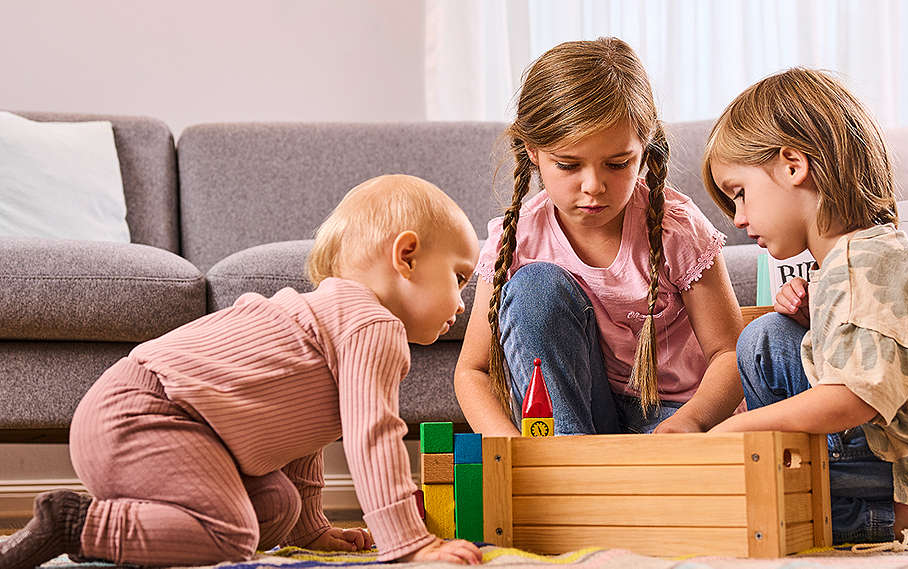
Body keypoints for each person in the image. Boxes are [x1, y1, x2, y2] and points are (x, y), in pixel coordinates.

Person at [0, 175, 483, 567]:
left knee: (275, 509)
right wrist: (408, 541)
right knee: (231, 534)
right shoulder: (373, 324)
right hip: (149, 414)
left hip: (139, 415)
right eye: (459, 277)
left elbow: (303, 431)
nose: (462, 304)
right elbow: (372, 433)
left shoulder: (330, 318)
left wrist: (310, 529)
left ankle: (138, 530)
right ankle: (77, 524)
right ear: (406, 256)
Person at [702, 68, 908, 544]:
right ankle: (793, 492)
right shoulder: (867, 257)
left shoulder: (861, 266)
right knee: (770, 336)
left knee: (762, 343)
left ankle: (820, 506)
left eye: (740, 194)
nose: (739, 218)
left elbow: (851, 398)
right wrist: (817, 323)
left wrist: (737, 431)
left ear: (793, 166)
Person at [454, 37, 745, 437]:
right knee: (534, 287)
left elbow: (728, 353)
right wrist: (509, 446)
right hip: (577, 421)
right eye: (568, 165)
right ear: (533, 151)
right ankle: (565, 456)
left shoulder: (675, 227)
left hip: (674, 417)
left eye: (617, 164)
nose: (593, 186)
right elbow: (473, 370)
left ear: (645, 150)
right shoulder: (517, 236)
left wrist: (691, 422)